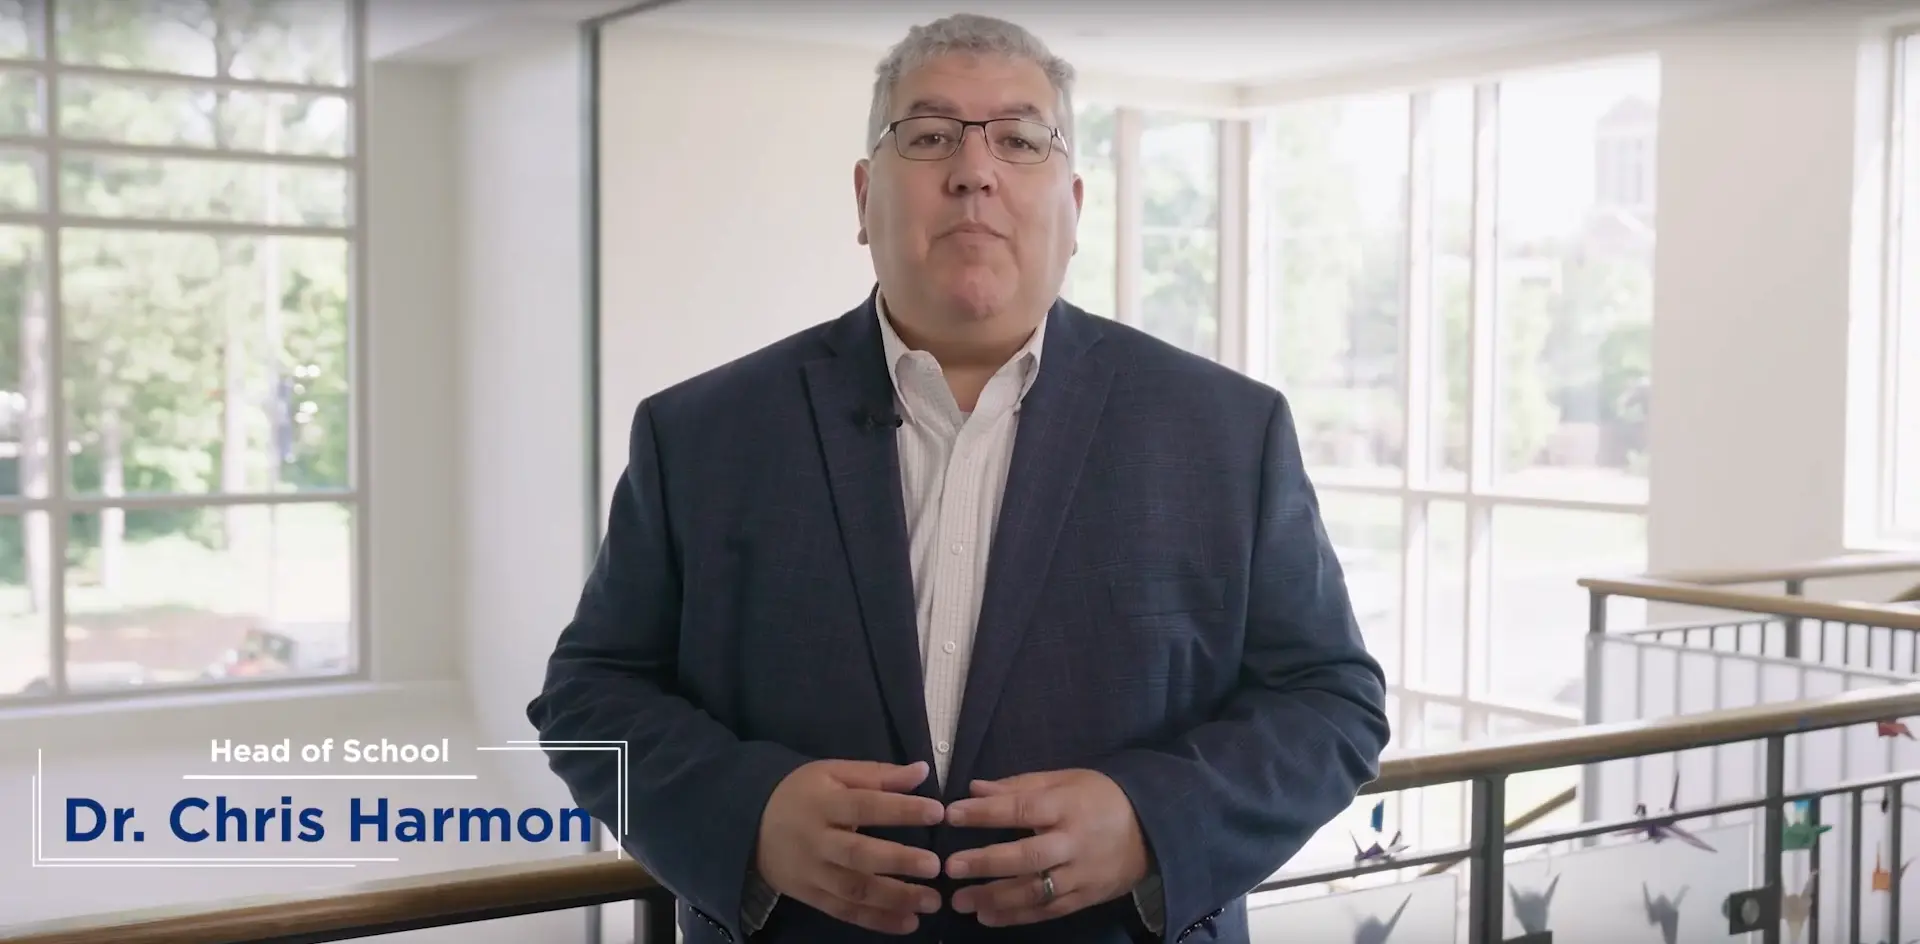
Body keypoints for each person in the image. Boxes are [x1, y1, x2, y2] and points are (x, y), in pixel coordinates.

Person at [527, 12, 1389, 944]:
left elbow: (1332, 703)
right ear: (864, 198)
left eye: (1019, 139)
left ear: (1075, 204)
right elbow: (587, 701)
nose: (974, 170)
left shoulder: (1229, 431)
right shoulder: (697, 433)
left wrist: (1153, 821)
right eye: (929, 135)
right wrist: (750, 818)